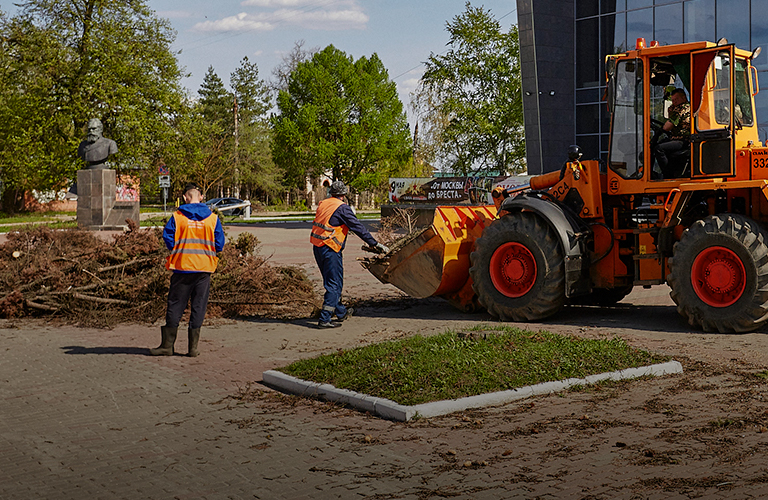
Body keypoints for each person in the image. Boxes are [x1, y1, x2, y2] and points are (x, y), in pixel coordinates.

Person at [150, 182, 225, 357]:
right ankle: (193, 349)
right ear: (201, 197)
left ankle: (167, 346)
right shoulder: (213, 218)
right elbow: (219, 244)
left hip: (182, 267)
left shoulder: (177, 217)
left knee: (175, 306)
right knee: (198, 306)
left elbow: (168, 237)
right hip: (204, 269)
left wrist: (178, 248)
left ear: (185, 197)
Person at [310, 180, 389, 328]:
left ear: (331, 192)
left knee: (333, 281)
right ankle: (325, 319)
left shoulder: (324, 203)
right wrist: (374, 244)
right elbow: (357, 227)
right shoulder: (342, 208)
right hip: (330, 247)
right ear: (344, 195)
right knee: (334, 284)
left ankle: (341, 312)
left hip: (318, 246)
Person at [655, 88, 691, 178]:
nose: (674, 102)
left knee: (658, 148)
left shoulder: (681, 108)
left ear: (684, 98)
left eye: (676, 99)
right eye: (673, 100)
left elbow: (667, 127)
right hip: (685, 139)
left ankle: (668, 176)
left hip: (682, 140)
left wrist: (661, 129)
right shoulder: (690, 106)